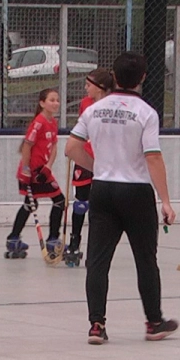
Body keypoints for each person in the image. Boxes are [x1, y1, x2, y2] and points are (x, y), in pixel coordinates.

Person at [65, 52, 179, 345]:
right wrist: (165, 200)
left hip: (102, 188)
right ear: (142, 78)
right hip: (136, 191)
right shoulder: (146, 113)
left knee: (98, 261)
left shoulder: (95, 110)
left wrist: (99, 167)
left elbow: (71, 148)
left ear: (113, 77)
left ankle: (96, 324)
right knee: (145, 259)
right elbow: (153, 157)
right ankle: (154, 322)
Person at [5, 88, 66, 258]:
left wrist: (49, 166)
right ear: (42, 103)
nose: (55, 103)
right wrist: (25, 171)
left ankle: (13, 238)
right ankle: (53, 239)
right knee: (57, 200)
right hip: (32, 171)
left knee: (33, 203)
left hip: (43, 170)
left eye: (57, 100)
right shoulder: (38, 123)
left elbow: (54, 146)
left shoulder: (53, 122)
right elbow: (27, 146)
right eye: (51, 100)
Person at [64, 68, 115, 267]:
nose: (85, 88)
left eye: (88, 85)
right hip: (86, 156)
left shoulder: (112, 104)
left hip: (104, 158)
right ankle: (74, 242)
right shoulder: (86, 104)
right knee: (81, 201)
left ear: (100, 87)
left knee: (99, 205)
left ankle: (96, 245)